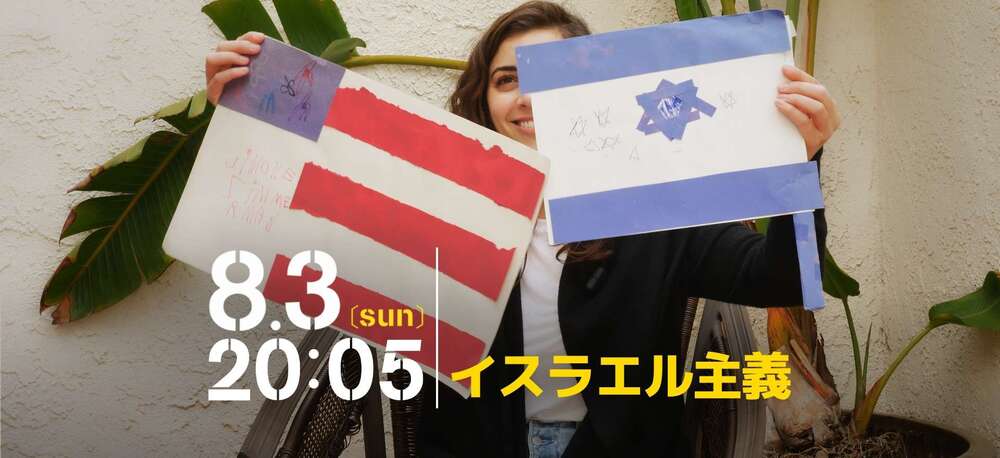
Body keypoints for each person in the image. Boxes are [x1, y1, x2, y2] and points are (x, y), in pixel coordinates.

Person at [206, 2, 840, 456]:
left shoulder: (654, 210)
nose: (526, 98)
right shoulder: (433, 205)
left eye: (552, 77)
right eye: (507, 80)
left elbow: (778, 277)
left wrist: (801, 162)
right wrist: (245, 108)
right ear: (485, 101)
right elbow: (304, 224)